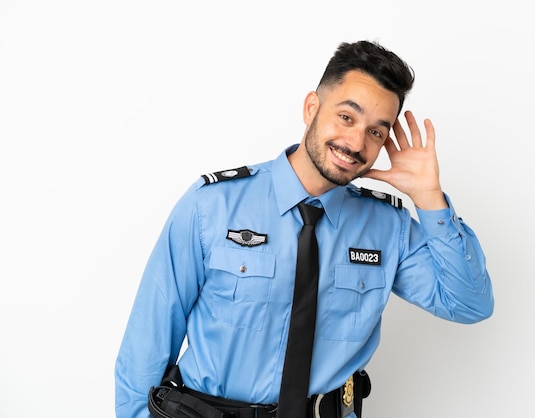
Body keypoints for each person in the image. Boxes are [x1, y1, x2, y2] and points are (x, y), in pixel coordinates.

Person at [115, 39, 494, 418]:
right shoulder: (212, 205)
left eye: (376, 132)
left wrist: (430, 200)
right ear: (311, 107)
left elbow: (468, 303)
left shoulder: (387, 226)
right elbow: (146, 346)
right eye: (346, 117)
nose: (356, 142)